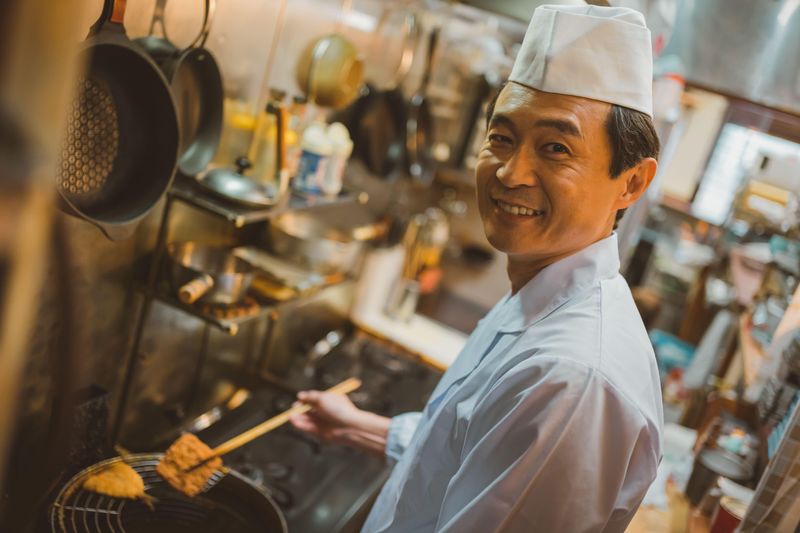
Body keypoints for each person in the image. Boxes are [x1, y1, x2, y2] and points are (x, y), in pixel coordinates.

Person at [290, 4, 664, 532]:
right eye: (502, 138)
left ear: (631, 182)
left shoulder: (572, 381)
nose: (511, 172)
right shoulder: (542, 296)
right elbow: (471, 447)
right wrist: (363, 429)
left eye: (556, 148)